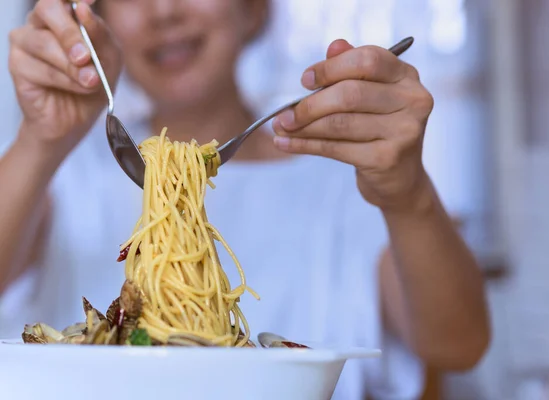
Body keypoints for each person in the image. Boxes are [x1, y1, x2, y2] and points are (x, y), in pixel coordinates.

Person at [0, 0, 490, 398]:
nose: (163, 10)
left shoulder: (346, 179)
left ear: (253, 9)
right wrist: (41, 140)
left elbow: (459, 345)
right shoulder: (65, 168)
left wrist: (407, 194)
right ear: (98, 20)